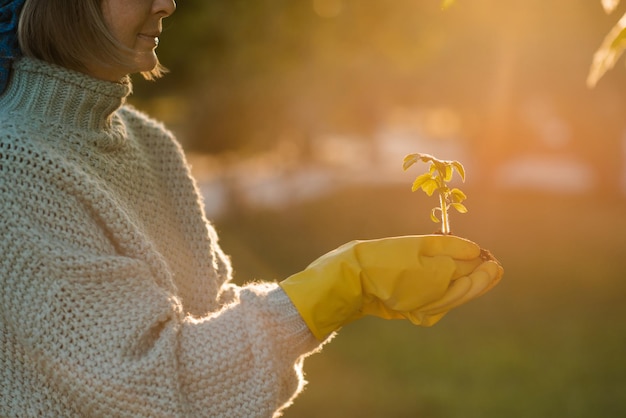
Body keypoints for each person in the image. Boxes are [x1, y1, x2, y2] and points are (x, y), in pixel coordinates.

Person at [0, 0, 504, 417]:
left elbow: (208, 333)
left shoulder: (149, 143)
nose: (167, 3)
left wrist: (347, 296)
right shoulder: (15, 168)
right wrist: (338, 286)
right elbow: (157, 395)